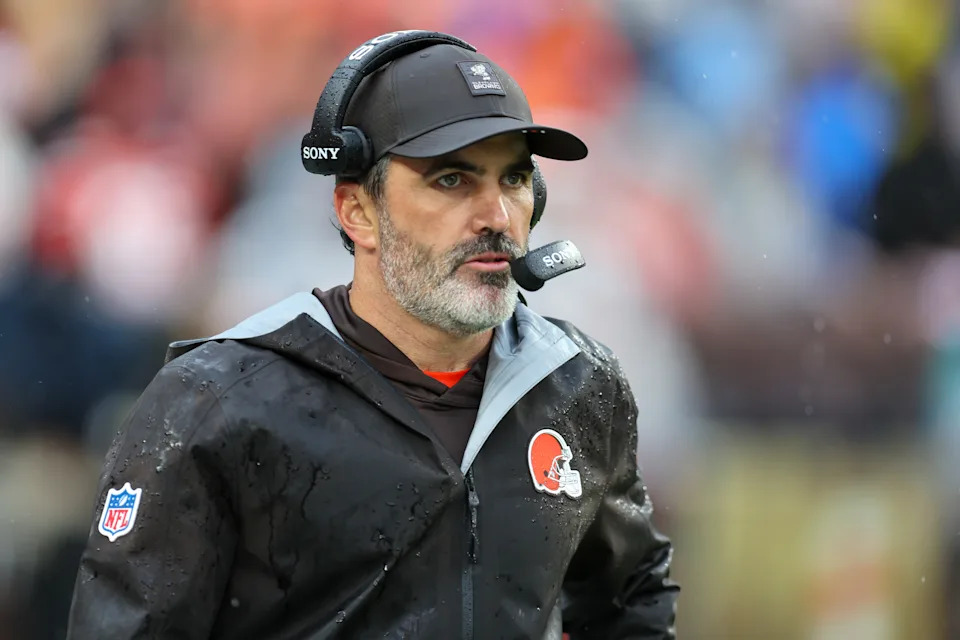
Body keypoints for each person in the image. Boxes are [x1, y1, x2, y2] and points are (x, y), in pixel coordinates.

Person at [66, 31, 680, 639]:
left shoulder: (579, 385)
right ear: (357, 211)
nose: (497, 216)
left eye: (515, 180)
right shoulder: (215, 403)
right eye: (452, 180)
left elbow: (629, 601)